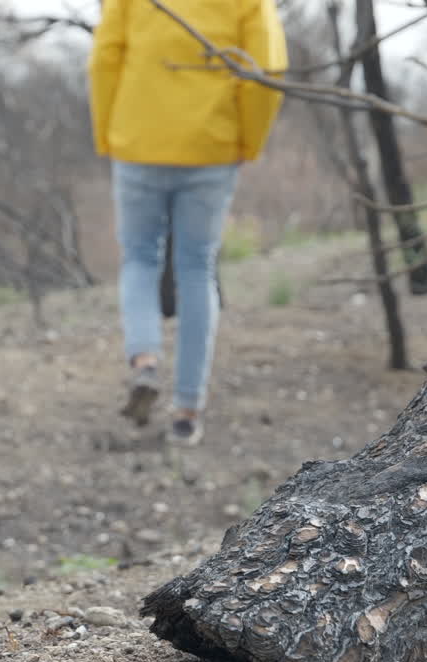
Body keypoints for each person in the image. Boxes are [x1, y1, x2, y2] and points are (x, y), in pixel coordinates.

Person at [88, 0, 287, 445]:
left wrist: (107, 131)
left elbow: (105, 59)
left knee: (140, 258)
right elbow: (267, 69)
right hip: (211, 147)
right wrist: (248, 141)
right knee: (196, 268)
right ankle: (186, 410)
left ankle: (144, 362)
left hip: (136, 143)